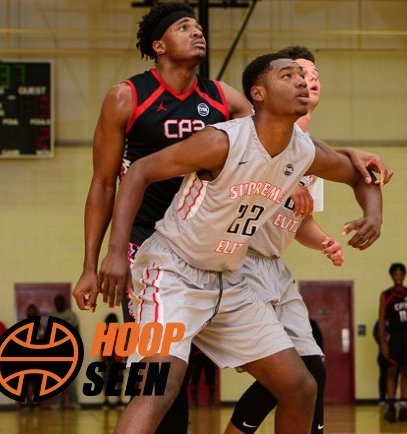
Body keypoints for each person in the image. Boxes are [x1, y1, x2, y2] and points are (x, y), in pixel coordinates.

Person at [95, 52, 383, 434]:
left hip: (227, 280)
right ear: (258, 93)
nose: (300, 81)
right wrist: (115, 252)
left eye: (303, 75)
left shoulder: (303, 151)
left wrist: (374, 214)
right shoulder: (221, 142)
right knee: (158, 388)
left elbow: (361, 176)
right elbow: (139, 173)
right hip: (172, 272)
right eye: (288, 75)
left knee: (299, 386)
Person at [71, 2, 251, 432]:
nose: (197, 31)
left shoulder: (222, 98)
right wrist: (93, 264)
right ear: (159, 45)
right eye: (184, 27)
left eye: (198, 25)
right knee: (160, 375)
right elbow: (102, 184)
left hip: (201, 252)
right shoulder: (126, 97)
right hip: (142, 249)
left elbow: (272, 136)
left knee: (181, 377)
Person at [228, 45, 391, 434]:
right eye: (297, 72)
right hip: (235, 259)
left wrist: (323, 242)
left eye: (314, 72)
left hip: (273, 265)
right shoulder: (254, 129)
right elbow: (236, 179)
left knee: (311, 368)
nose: (308, 77)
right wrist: (278, 190)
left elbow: (299, 221)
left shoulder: (310, 151)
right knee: (286, 376)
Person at [379, 262, 407, 423]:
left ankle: (403, 407)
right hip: (394, 336)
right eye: (395, 274)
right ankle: (391, 407)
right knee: (392, 371)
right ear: (392, 276)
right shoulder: (386, 295)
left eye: (401, 274)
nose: (398, 277)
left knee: (405, 370)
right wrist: (383, 343)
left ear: (404, 275)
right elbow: (382, 319)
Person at [51, 295, 80, 409]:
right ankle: (57, 402)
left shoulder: (71, 315)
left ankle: (74, 401)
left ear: (64, 302)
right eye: (56, 301)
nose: (58, 303)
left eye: (60, 301)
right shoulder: (53, 316)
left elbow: (77, 330)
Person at [101, 313, 125, 409]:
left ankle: (118, 400)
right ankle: (107, 401)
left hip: (116, 359)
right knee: (107, 381)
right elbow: (101, 348)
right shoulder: (104, 333)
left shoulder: (118, 333)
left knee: (118, 381)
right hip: (108, 359)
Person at [374, 319, 389, 407]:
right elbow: (375, 333)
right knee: (383, 376)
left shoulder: (394, 320)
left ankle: (392, 398)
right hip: (382, 354)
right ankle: (382, 399)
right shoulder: (380, 321)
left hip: (394, 354)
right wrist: (381, 343)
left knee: (393, 376)